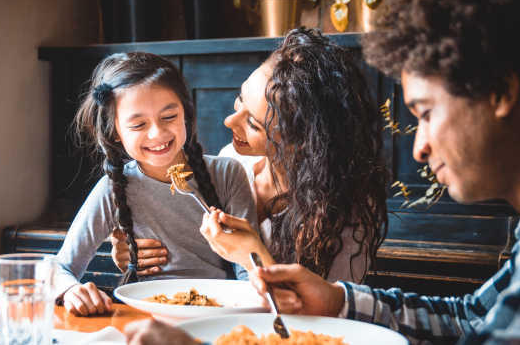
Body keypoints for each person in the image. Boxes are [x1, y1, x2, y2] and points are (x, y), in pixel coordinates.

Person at [124, 0, 520, 343]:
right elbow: (470, 317)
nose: (419, 148)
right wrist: (338, 301)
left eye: (427, 113)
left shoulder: (343, 209)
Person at [112, 29, 389, 284]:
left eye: (254, 124)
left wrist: (253, 256)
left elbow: (329, 315)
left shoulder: (347, 213)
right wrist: (135, 256)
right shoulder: (232, 163)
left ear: (304, 140)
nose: (230, 121)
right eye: (240, 97)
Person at [55, 52, 258, 316]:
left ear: (186, 112)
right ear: (115, 132)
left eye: (169, 117)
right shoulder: (113, 189)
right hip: (145, 316)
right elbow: (61, 267)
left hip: (219, 312)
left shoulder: (227, 174)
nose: (157, 134)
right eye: (138, 124)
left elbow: (249, 272)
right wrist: (71, 290)